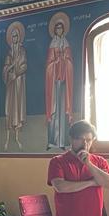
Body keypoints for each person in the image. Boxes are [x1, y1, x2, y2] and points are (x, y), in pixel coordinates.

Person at [44, 14, 73, 149]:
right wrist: (55, 62)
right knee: (54, 111)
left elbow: (70, 63)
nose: (59, 30)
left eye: (61, 28)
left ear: (63, 29)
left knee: (63, 112)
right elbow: (48, 65)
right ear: (55, 30)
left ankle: (62, 142)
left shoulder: (66, 44)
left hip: (64, 82)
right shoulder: (52, 45)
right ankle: (52, 141)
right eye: (57, 28)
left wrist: (65, 60)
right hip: (54, 83)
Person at [3, 20, 27, 150]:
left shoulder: (22, 51)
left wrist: (16, 73)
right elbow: (5, 68)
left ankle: (17, 137)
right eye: (13, 36)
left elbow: (24, 66)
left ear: (19, 37)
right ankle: (8, 138)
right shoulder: (9, 53)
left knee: (18, 108)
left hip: (18, 84)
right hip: (11, 85)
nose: (14, 38)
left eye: (16, 36)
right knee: (9, 108)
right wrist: (9, 70)